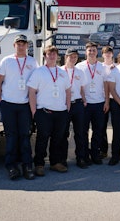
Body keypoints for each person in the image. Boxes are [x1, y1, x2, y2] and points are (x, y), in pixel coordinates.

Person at [0, 34, 37, 180]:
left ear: (27, 46)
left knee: (25, 136)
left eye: (23, 44)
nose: (21, 46)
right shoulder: (7, 61)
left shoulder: (33, 61)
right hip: (9, 104)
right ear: (14, 46)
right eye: (18, 44)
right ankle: (11, 166)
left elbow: (35, 84)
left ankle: (27, 165)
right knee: (11, 136)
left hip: (25, 105)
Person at [27, 45, 71, 176]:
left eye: (54, 54)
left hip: (61, 112)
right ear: (45, 56)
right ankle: (39, 164)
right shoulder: (39, 72)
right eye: (49, 54)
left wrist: (67, 108)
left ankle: (55, 163)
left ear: (57, 56)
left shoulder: (62, 72)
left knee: (58, 139)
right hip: (44, 112)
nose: (52, 56)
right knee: (42, 139)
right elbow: (31, 92)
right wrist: (34, 111)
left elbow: (68, 91)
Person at [76, 42, 109, 165]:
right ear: (86, 52)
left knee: (98, 130)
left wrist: (106, 101)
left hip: (99, 103)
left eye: (94, 50)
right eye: (89, 50)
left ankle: (95, 153)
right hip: (85, 103)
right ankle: (84, 155)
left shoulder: (102, 67)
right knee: (83, 131)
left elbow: (106, 85)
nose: (91, 52)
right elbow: (78, 85)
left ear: (97, 52)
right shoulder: (79, 66)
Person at [61, 47, 88, 169]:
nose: (73, 58)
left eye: (75, 56)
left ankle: (81, 158)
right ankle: (62, 159)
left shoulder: (80, 72)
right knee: (63, 133)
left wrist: (84, 100)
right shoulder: (60, 71)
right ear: (66, 57)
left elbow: (82, 88)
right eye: (71, 56)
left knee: (80, 133)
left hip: (77, 104)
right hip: (64, 105)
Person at [100, 46, 116, 159]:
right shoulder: (99, 67)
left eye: (109, 52)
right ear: (102, 55)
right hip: (103, 99)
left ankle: (117, 150)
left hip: (115, 99)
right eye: (105, 52)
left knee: (117, 126)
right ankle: (103, 150)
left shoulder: (117, 67)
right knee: (102, 126)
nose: (107, 54)